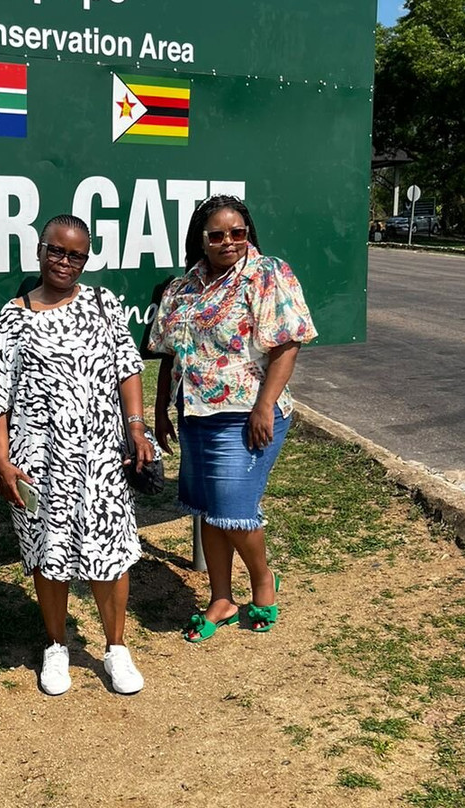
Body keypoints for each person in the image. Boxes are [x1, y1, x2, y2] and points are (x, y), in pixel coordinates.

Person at [0, 213, 156, 695]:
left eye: (76, 254)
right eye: (57, 250)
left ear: (86, 257)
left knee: (110, 553)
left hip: (101, 455)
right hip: (37, 458)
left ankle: (116, 648)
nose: (65, 261)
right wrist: (2, 462)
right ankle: (56, 646)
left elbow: (128, 369)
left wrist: (135, 427)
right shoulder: (14, 315)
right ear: (40, 250)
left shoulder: (103, 303)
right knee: (46, 553)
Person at [147, 195, 317, 641]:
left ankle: (263, 583)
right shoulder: (184, 287)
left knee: (231, 510)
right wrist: (163, 410)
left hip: (246, 416)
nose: (229, 242)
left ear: (248, 234)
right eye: (218, 235)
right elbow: (169, 355)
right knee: (207, 509)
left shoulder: (267, 274)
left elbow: (286, 345)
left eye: (238, 232)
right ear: (201, 240)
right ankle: (221, 598)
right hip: (194, 414)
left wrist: (264, 405)